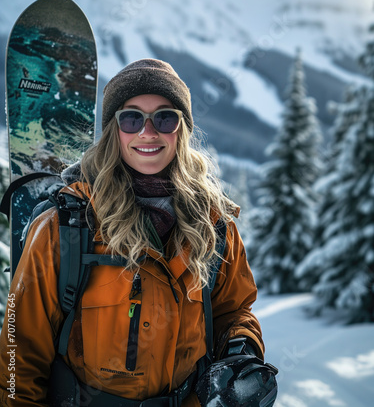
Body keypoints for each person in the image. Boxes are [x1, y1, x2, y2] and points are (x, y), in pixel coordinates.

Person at [0, 59, 273, 406]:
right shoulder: (64, 227)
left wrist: (241, 348)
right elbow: (18, 358)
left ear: (181, 129)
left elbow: (234, 311)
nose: (148, 132)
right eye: (131, 118)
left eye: (165, 117)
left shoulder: (214, 229)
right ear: (114, 130)